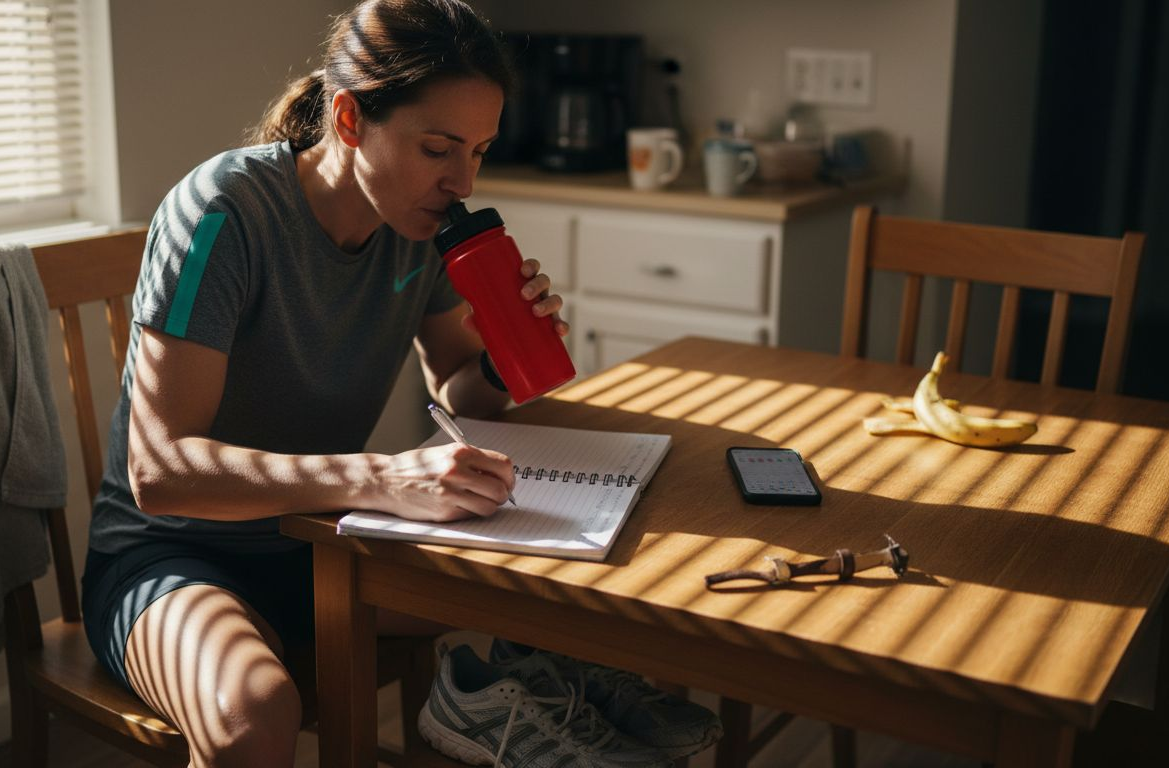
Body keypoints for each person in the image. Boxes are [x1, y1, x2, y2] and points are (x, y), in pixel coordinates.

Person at [81, 1, 718, 765]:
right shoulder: (224, 213)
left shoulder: (415, 225)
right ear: (349, 120)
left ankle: (534, 691)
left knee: (560, 598)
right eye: (438, 148)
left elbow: (456, 388)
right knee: (253, 715)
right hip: (171, 559)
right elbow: (161, 473)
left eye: (479, 151)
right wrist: (383, 478)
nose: (462, 180)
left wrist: (501, 355)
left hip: (320, 545)